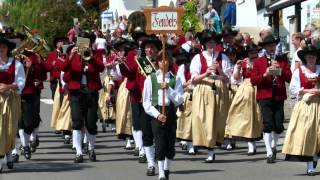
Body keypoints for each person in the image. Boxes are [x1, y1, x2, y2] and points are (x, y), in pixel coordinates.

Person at [61, 34, 105, 163]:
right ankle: (78, 152)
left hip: (91, 92)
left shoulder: (95, 54)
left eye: (87, 42)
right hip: (76, 92)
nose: (83, 45)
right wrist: (70, 56)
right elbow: (63, 68)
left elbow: (101, 68)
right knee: (77, 122)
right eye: (81, 42)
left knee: (91, 123)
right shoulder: (73, 55)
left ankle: (91, 148)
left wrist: (91, 58)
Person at [190, 30, 231, 162]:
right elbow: (194, 79)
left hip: (218, 89)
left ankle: (213, 147)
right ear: (204, 43)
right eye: (208, 42)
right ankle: (209, 149)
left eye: (213, 41)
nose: (211, 44)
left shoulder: (223, 57)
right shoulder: (198, 58)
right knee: (203, 119)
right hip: (203, 90)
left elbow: (228, 79)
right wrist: (206, 73)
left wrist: (219, 70)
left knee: (217, 120)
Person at [142, 50, 184, 180]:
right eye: (160, 60)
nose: (163, 62)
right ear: (157, 62)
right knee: (159, 142)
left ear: (170, 61)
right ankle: (160, 173)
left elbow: (179, 99)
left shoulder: (175, 78)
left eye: (166, 59)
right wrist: (157, 114)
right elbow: (146, 101)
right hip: (157, 111)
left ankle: (166, 168)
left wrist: (168, 89)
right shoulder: (151, 78)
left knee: (170, 144)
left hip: (170, 111)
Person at [251, 34, 292, 163]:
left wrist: (280, 70)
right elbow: (253, 80)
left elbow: (290, 78)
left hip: (279, 95)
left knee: (279, 125)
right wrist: (265, 74)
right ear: (265, 47)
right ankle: (269, 152)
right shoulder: (258, 61)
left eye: (273, 45)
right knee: (268, 124)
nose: (271, 47)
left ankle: (274, 145)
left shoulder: (282, 60)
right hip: (265, 95)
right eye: (269, 46)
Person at [282, 43, 320, 176]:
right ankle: (310, 166)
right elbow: (293, 89)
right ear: (305, 58)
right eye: (309, 57)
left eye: (313, 57)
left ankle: (316, 157)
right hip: (306, 107)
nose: (311, 59)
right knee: (308, 135)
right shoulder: (299, 71)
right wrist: (310, 90)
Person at [225, 43, 263, 155]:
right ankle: (250, 144)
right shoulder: (243, 63)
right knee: (246, 117)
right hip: (246, 88)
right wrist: (237, 67)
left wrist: (254, 69)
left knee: (258, 117)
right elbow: (235, 78)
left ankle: (268, 143)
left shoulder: (261, 62)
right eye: (251, 52)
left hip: (260, 86)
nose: (253, 54)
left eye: (255, 52)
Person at [0, 37, 25, 173]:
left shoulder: (16, 64)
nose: (1, 50)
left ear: (7, 49)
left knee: (9, 129)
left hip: (10, 99)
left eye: (3, 47)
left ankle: (9, 153)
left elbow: (21, 83)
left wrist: (8, 86)